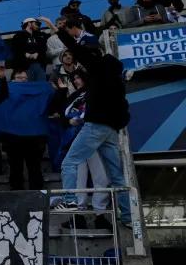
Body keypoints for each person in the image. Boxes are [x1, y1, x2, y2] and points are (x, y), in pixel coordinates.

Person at [54, 39, 131, 226]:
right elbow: (124, 111)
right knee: (116, 175)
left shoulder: (97, 74)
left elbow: (78, 50)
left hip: (94, 127)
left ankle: (71, 201)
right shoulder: (117, 83)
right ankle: (128, 216)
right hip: (110, 131)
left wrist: (58, 31)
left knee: (69, 163)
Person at [11, 18, 49, 82]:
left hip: (38, 64)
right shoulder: (18, 35)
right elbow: (15, 49)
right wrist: (25, 54)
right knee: (28, 85)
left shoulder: (39, 35)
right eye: (36, 23)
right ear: (29, 23)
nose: (38, 26)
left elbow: (44, 47)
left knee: (41, 84)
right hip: (24, 66)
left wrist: (37, 53)